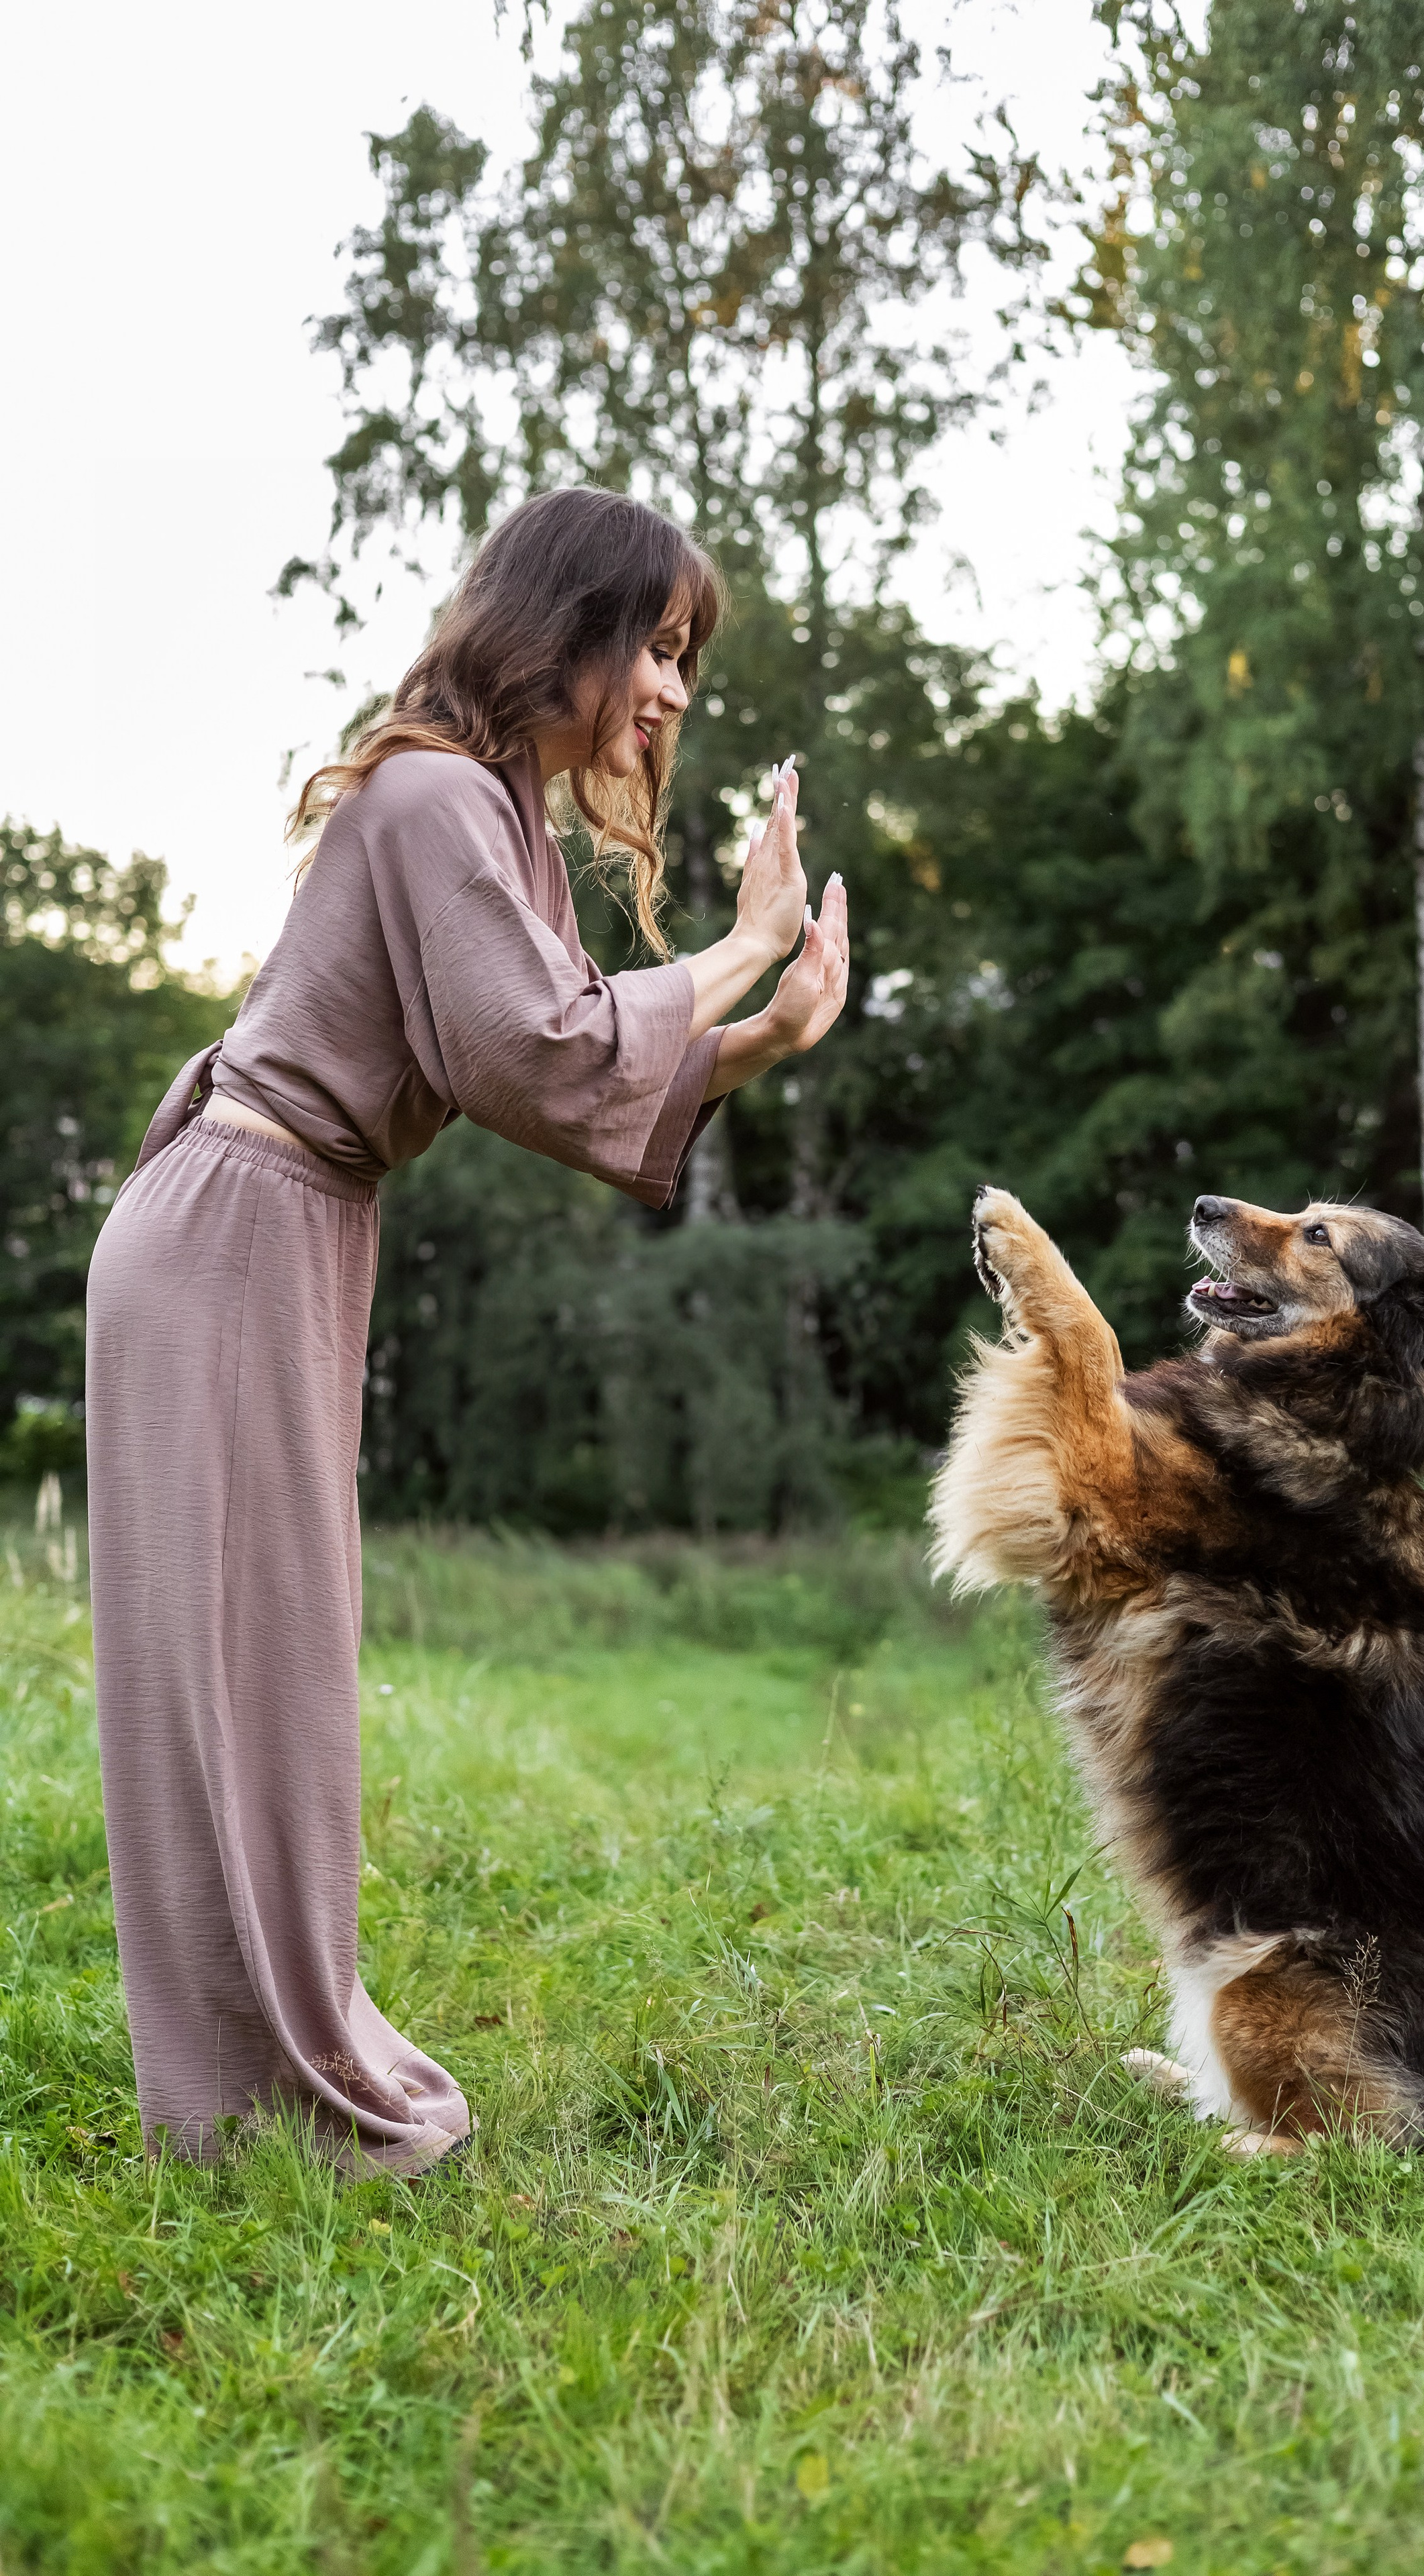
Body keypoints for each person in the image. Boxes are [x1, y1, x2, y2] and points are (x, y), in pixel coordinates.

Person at [85, 486, 849, 2173]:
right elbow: (540, 1050)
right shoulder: (436, 796)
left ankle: (269, 2073)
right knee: (229, 1677)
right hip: (233, 1230)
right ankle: (251, 2102)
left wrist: (767, 1032)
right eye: (653, 646)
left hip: (280, 1231)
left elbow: (556, 1066)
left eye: (685, 659)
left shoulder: (483, 816)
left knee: (270, 1672)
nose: (671, 691)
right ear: (558, 630)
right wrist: (740, 946)